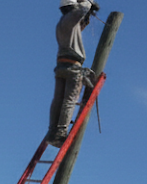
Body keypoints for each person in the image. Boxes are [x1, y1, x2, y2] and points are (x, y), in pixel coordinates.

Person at [47, 0, 99, 147]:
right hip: (73, 66)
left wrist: (87, 18)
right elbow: (82, 9)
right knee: (69, 100)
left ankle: (52, 132)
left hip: (61, 66)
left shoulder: (63, 24)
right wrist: (89, 3)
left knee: (58, 100)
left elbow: (79, 26)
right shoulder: (71, 17)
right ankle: (61, 133)